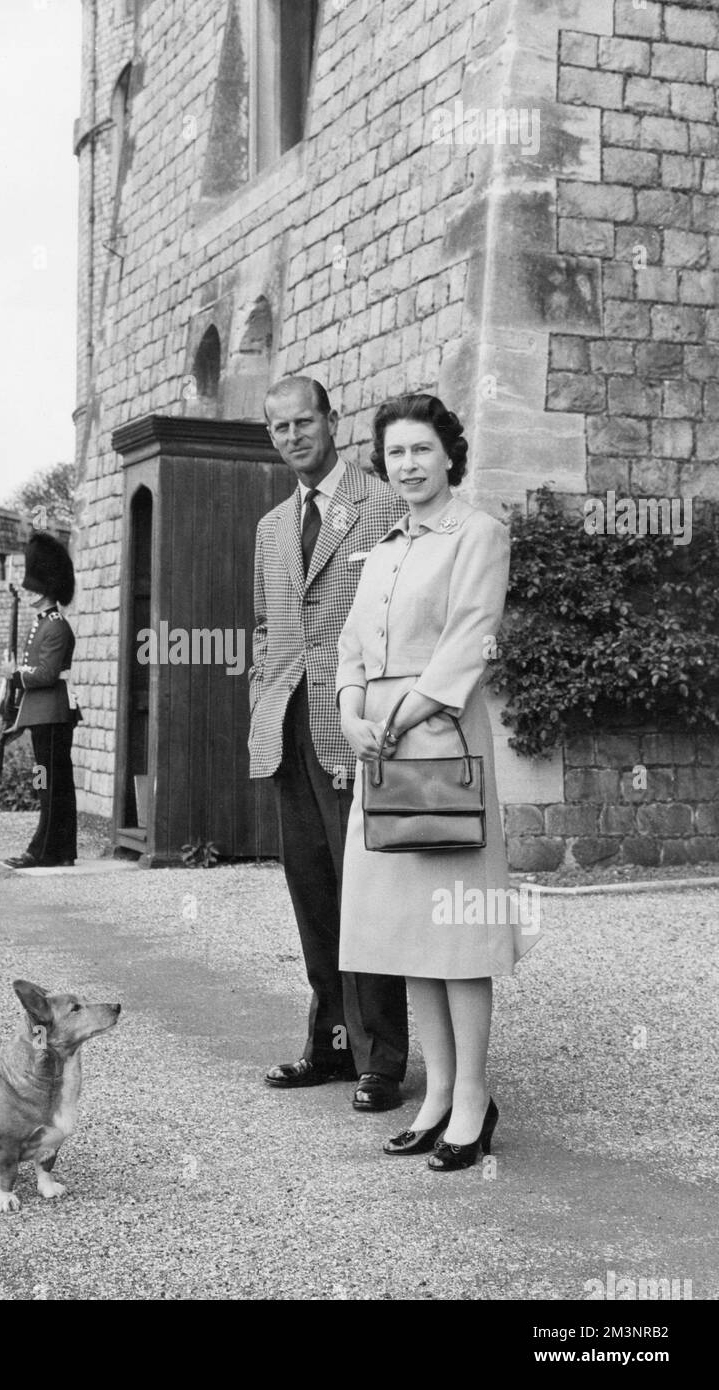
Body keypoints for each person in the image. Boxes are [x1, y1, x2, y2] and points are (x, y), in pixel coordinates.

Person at [336, 392, 535, 1169]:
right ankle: (440, 1092)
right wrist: (354, 711)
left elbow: (471, 638)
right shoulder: (381, 548)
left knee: (457, 930)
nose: (408, 465)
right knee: (409, 933)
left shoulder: (479, 532)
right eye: (395, 454)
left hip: (440, 738)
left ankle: (476, 1099)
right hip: (380, 747)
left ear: (449, 454)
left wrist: (407, 713)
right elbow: (352, 645)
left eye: (421, 450)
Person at [249, 375, 410, 1111]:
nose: (292, 438)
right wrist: (262, 697)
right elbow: (266, 631)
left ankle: (382, 1059)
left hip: (354, 728)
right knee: (312, 893)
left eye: (303, 422)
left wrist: (377, 715)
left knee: (365, 895)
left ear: (331, 420)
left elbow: (401, 618)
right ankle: (331, 1044)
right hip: (288, 731)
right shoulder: (272, 528)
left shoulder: (381, 506)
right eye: (279, 428)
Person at [0, 532, 81, 869]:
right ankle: (60, 849)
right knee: (49, 782)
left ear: (47, 589)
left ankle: (43, 849)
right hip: (41, 713)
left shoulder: (56, 626)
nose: (28, 591)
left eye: (34, 586)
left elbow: (45, 674)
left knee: (50, 782)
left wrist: (15, 674)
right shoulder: (43, 624)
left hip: (52, 712)